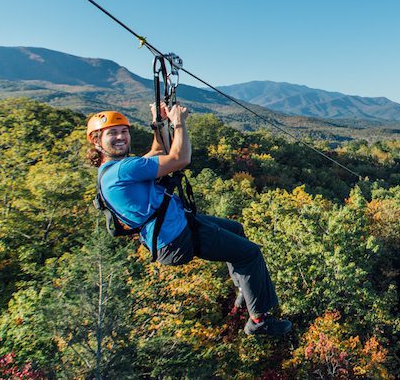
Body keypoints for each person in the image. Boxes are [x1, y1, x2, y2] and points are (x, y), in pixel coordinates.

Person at [86, 104, 292, 337]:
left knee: (235, 229)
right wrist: (179, 123)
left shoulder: (114, 170)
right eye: (112, 133)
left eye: (124, 131)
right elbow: (179, 158)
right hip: (176, 238)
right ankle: (259, 321)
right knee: (250, 253)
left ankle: (245, 289)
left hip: (174, 228)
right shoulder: (123, 170)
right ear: (96, 141)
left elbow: (158, 152)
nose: (121, 137)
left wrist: (159, 123)